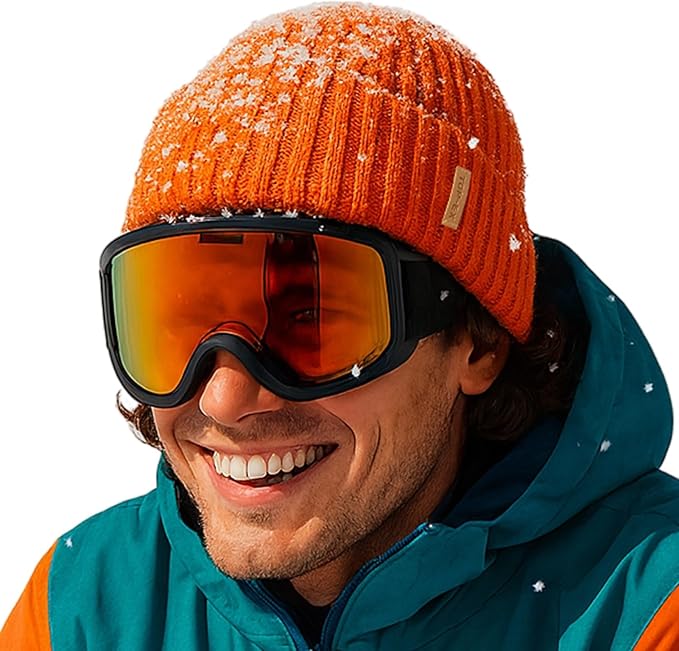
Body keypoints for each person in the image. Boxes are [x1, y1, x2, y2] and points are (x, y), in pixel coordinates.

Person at [2, 3, 678, 649]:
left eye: (311, 319)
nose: (224, 398)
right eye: (178, 322)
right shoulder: (81, 609)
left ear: (478, 342)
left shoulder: (645, 609)